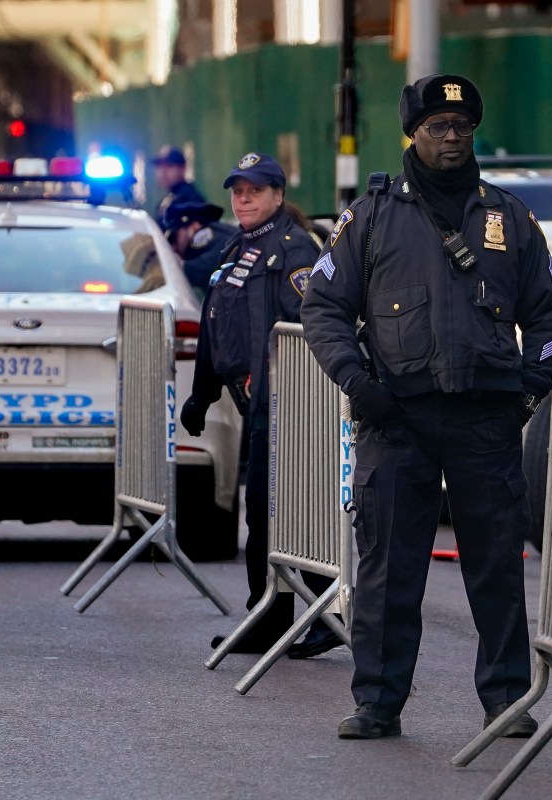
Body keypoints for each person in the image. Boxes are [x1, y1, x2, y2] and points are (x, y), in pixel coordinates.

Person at [301, 74, 552, 740]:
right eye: (437, 128)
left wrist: (533, 384)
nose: (451, 139)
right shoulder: (372, 218)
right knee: (388, 569)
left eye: (462, 127)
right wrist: (357, 382)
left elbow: (548, 310)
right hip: (398, 421)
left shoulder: (507, 216)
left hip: (486, 418)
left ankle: (508, 699)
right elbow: (324, 308)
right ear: (412, 135)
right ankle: (378, 702)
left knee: (497, 566)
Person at [179, 152, 338, 658]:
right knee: (264, 513)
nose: (243, 198)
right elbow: (215, 322)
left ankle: (322, 617)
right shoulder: (239, 246)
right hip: (257, 406)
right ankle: (269, 617)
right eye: (237, 190)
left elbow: (316, 328)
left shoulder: (294, 251)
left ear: (277, 194)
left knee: (294, 513)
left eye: (254, 190)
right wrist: (202, 392)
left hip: (294, 405)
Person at [159, 198, 239, 292]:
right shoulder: (219, 230)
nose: (173, 247)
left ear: (194, 226)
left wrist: (182, 267)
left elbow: (222, 254)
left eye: (174, 238)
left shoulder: (202, 235)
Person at [152, 145, 206, 221]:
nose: (162, 172)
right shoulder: (167, 199)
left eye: (169, 166)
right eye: (159, 166)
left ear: (183, 169)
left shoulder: (192, 201)